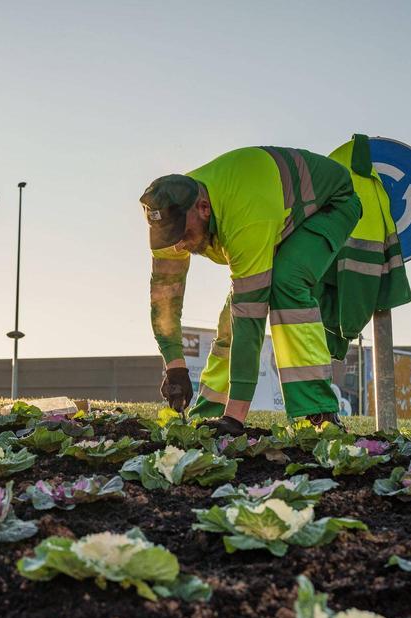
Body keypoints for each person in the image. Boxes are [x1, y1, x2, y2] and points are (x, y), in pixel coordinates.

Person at [141, 147, 362, 434]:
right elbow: (164, 299)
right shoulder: (172, 207)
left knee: (286, 283)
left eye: (183, 234)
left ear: (204, 208)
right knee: (229, 320)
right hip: (274, 211)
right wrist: (175, 365)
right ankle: (210, 410)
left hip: (330, 205)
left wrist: (235, 420)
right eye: (169, 237)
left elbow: (250, 316)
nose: (179, 246)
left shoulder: (244, 216)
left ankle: (316, 412)